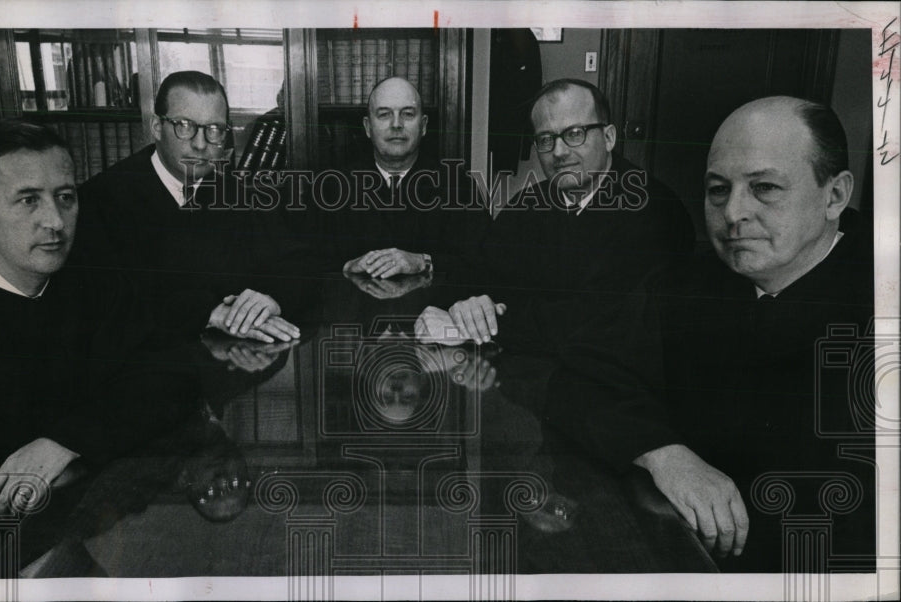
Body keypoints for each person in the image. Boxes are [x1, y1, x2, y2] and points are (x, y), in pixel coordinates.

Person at [550, 96, 875, 571]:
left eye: (764, 187)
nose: (733, 213)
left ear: (835, 196)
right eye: (718, 190)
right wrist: (664, 454)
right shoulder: (687, 284)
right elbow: (582, 375)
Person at [0, 119, 196, 573]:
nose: (54, 221)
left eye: (65, 197)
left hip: (89, 531)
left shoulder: (93, 284)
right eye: (28, 199)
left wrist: (65, 441)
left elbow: (174, 375)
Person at [437, 78, 694, 349]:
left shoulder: (656, 210)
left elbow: (597, 321)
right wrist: (469, 306)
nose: (558, 152)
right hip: (521, 371)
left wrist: (493, 323)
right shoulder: (527, 203)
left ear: (608, 138)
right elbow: (477, 275)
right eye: (546, 139)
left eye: (574, 133)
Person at [73, 71, 302, 342]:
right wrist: (206, 314)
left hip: (235, 367)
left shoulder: (239, 197)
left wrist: (272, 298)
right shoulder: (101, 199)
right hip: (144, 369)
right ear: (157, 127)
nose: (201, 143)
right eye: (184, 125)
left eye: (214, 129)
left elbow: (297, 266)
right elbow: (97, 304)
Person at [315, 76, 486, 281]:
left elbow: (484, 260)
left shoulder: (458, 186)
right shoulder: (331, 187)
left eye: (407, 114)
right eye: (384, 114)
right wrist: (347, 266)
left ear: (423, 126)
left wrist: (424, 262)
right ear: (368, 127)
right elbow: (305, 261)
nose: (396, 124)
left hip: (432, 310)